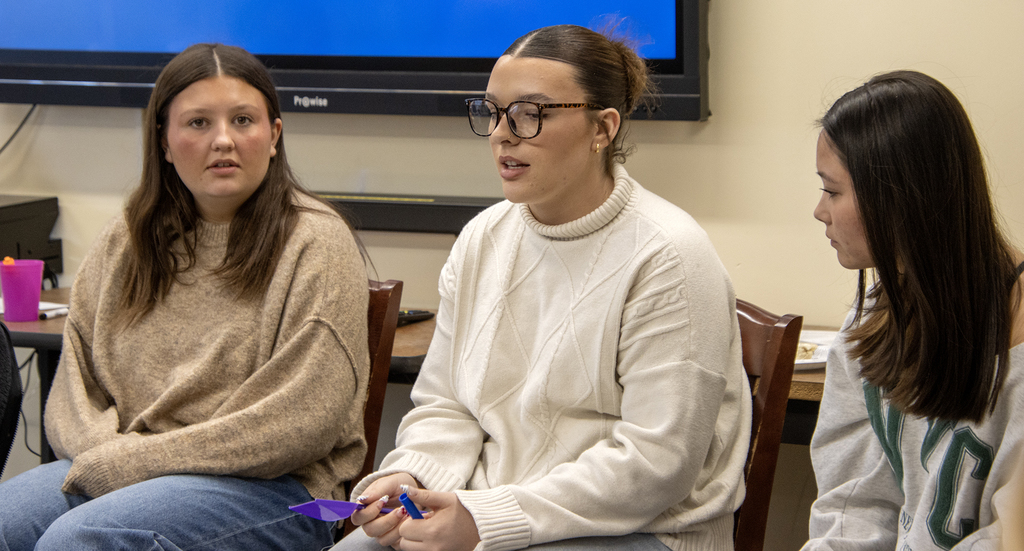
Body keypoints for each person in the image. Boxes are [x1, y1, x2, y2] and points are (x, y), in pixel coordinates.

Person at [333, 24, 750, 551]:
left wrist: (485, 519)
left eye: (530, 114)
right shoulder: (484, 236)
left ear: (603, 128)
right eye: (492, 111)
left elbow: (655, 464)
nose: (502, 134)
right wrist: (414, 477)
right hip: (490, 508)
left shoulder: (669, 255)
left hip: (641, 531)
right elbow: (446, 404)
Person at [0, 43, 371, 550]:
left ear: (275, 135)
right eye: (198, 123)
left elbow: (299, 425)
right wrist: (106, 457)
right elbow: (73, 390)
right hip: (127, 467)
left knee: (79, 541)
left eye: (243, 120)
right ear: (165, 142)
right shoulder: (126, 239)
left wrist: (136, 463)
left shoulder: (317, 243)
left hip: (290, 494)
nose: (223, 140)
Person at [804, 70, 1024, 550]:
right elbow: (854, 507)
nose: (820, 211)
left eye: (833, 191)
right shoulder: (871, 323)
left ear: (899, 199)